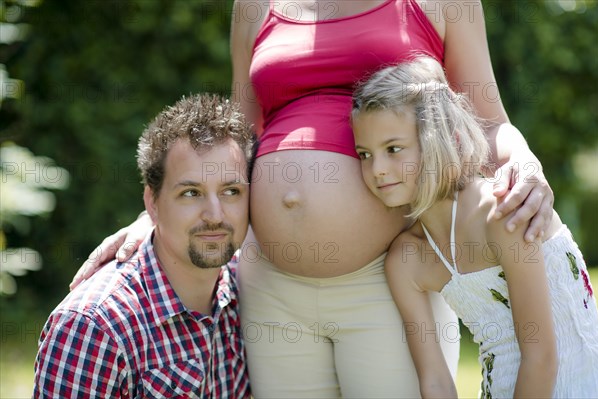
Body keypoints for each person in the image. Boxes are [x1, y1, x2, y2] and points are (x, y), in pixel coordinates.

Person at [71, 1, 555, 397]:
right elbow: (232, 140)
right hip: (272, 285)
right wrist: (155, 211)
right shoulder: (255, 7)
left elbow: (487, 121)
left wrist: (527, 162)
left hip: (388, 276)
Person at [351, 56, 598, 398]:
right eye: (364, 154)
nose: (377, 168)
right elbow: (435, 380)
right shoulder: (406, 260)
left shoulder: (502, 213)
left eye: (393, 148)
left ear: (444, 139)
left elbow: (541, 357)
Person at [34, 94, 254, 398]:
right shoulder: (94, 327)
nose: (215, 215)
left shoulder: (251, 289)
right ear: (152, 203)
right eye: (191, 193)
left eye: (231, 191)